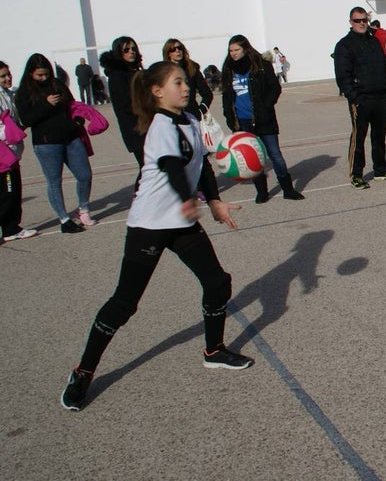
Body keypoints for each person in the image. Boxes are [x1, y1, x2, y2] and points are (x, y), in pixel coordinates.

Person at [59, 60, 252, 411]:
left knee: (217, 282)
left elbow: (202, 166)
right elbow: (171, 165)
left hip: (181, 222)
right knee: (125, 303)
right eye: (177, 82)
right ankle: (83, 371)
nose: (186, 87)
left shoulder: (190, 120)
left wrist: (214, 202)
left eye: (186, 82)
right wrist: (187, 200)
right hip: (149, 224)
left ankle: (214, 351)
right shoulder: (161, 125)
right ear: (157, 91)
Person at [14, 54, 94, 233]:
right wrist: (46, 104)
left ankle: (83, 209)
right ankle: (64, 219)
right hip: (47, 143)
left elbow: (74, 106)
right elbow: (26, 120)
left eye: (46, 74)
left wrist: (77, 122)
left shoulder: (57, 84)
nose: (44, 78)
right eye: (39, 75)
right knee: (54, 181)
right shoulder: (24, 92)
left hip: (71, 137)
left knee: (85, 175)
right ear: (31, 73)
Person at [221, 34, 305, 203]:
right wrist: (230, 118)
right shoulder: (228, 69)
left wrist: (266, 106)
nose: (233, 53)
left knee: (275, 154)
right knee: (253, 156)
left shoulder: (261, 65)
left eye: (237, 50)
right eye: (231, 50)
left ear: (245, 49)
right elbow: (226, 96)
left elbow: (275, 88)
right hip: (243, 121)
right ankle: (261, 191)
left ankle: (288, 189)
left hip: (263, 118)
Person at [334, 6, 386, 191]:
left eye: (364, 20)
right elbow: (343, 77)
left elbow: (385, 69)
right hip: (361, 100)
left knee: (379, 136)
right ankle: (356, 175)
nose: (362, 23)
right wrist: (355, 98)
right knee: (359, 138)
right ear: (351, 22)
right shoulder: (344, 45)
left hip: (380, 98)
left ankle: (380, 169)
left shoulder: (374, 42)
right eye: (358, 20)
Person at [0, 61, 37, 243]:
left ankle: (12, 226)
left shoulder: (10, 94)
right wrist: (9, 134)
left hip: (12, 151)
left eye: (8, 74)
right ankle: (10, 228)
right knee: (9, 192)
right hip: (4, 152)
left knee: (14, 190)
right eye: (3, 76)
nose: (8, 78)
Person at [100, 36, 145, 167]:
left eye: (133, 48)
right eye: (126, 50)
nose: (131, 52)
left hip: (147, 125)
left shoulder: (135, 72)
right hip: (136, 129)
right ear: (119, 53)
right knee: (148, 168)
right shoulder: (117, 76)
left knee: (151, 168)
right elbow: (125, 105)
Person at [163, 39, 213, 120]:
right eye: (173, 49)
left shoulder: (192, 69)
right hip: (172, 117)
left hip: (192, 116)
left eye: (180, 48)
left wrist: (200, 111)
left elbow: (207, 94)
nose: (177, 51)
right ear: (168, 53)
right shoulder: (164, 71)